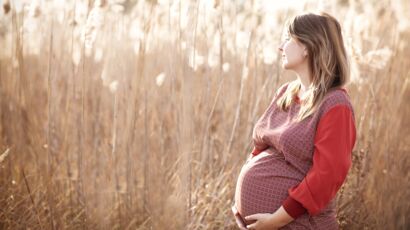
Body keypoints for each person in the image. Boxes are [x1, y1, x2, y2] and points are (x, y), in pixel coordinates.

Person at [232, 12, 356, 230]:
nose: (281, 46)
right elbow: (261, 147)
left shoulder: (335, 104)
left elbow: (326, 177)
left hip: (299, 225)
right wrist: (241, 201)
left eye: (288, 38)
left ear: (308, 46)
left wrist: (275, 220)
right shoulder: (286, 93)